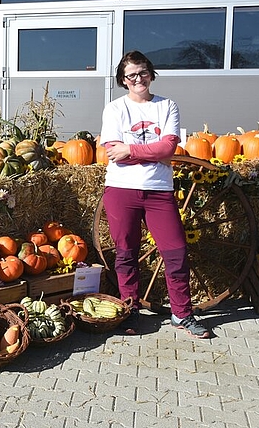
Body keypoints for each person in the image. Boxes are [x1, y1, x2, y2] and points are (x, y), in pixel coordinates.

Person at [98, 50, 211, 339]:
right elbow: (114, 153)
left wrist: (132, 149)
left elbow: (168, 149)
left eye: (143, 72)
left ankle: (182, 313)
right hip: (122, 190)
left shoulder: (167, 106)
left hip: (159, 191)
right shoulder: (114, 109)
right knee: (126, 253)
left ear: (151, 73)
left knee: (176, 252)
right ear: (123, 80)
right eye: (132, 75)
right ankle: (130, 308)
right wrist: (150, 153)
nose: (139, 79)